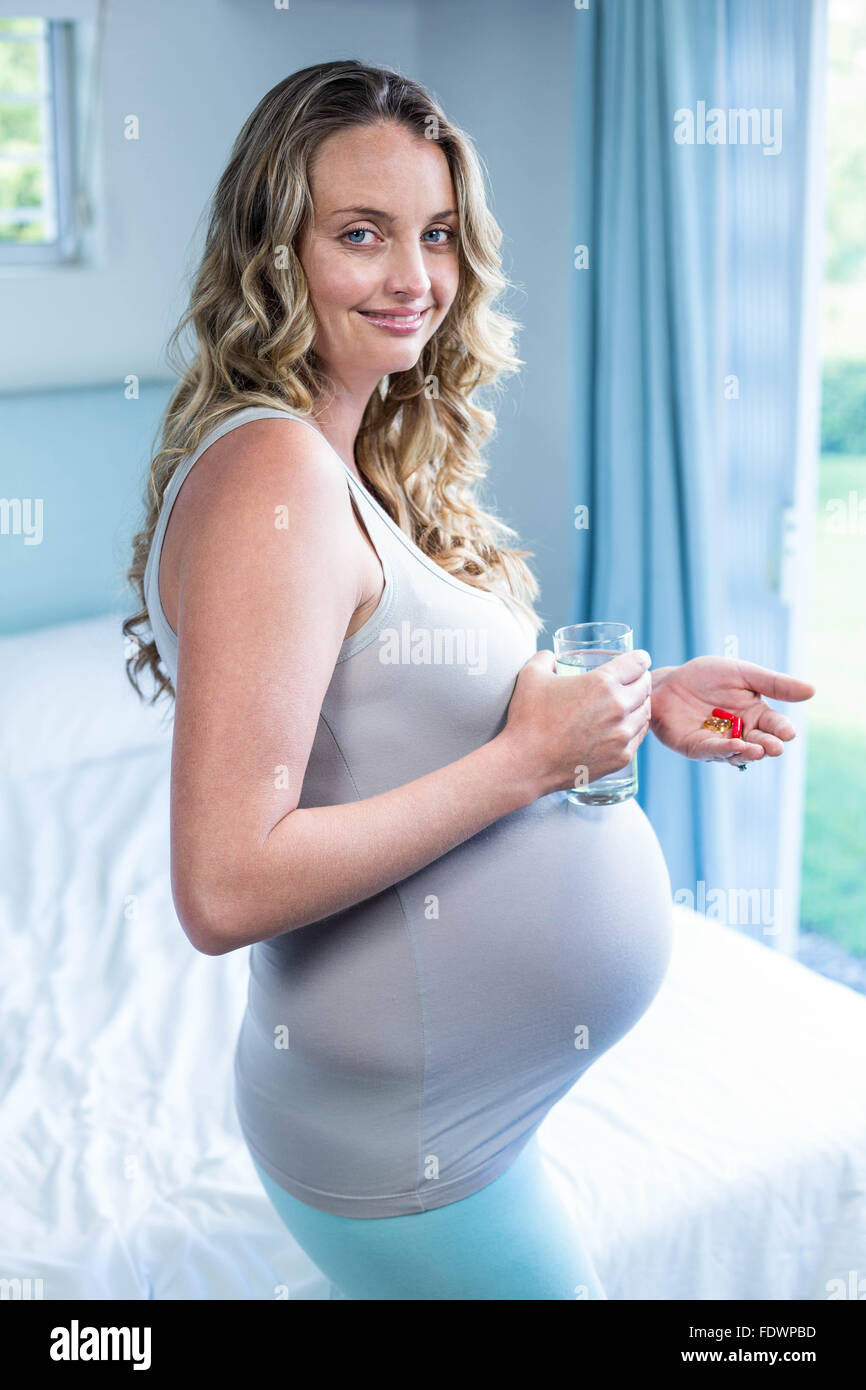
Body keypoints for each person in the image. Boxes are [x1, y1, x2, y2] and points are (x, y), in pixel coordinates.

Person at [123, 60, 815, 1300]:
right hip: (408, 1144)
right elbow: (224, 886)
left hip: (449, 1112)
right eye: (359, 234)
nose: (414, 279)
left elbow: (395, 719)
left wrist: (619, 714)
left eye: (435, 234)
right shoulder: (274, 475)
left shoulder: (342, 452)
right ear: (271, 253)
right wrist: (528, 763)